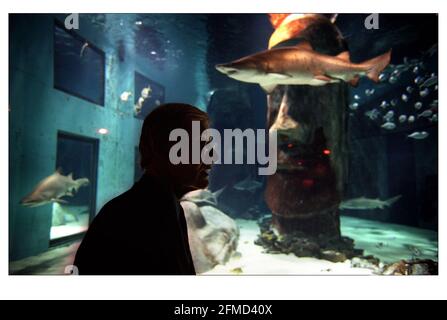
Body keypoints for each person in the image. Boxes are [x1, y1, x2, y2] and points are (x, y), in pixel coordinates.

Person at [74, 103, 211, 275]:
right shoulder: (133, 219)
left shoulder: (167, 207)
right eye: (201, 146)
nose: (212, 157)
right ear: (163, 149)